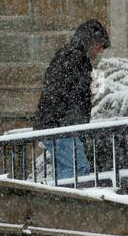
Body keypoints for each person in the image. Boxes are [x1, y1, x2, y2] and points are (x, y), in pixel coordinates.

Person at [34, 20, 110, 186]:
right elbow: (70, 96)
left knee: (70, 171)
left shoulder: (71, 57)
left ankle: (66, 204)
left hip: (58, 125)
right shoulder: (74, 58)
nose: (98, 53)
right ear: (90, 42)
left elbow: (64, 93)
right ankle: (71, 206)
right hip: (61, 127)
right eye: (98, 48)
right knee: (77, 170)